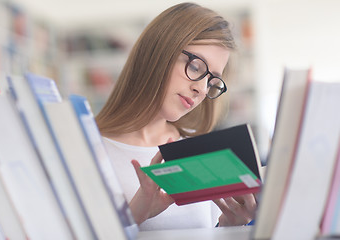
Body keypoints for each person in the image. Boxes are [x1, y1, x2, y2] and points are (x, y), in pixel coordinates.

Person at [95, 2, 257, 230]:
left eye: (211, 81)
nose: (201, 89)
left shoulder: (199, 151)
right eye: (196, 66)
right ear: (158, 53)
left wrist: (228, 227)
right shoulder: (87, 149)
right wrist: (132, 218)